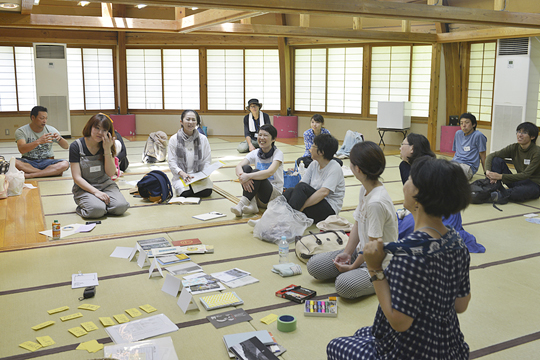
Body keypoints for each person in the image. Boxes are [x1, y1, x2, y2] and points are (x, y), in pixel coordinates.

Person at [327, 157, 472, 360]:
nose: (405, 184)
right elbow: (460, 305)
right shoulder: (457, 241)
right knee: (362, 333)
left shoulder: (409, 253)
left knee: (334, 346)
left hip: (411, 351)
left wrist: (375, 269)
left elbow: (399, 322)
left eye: (411, 179)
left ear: (419, 195)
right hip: (449, 345)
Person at [307, 141, 398, 299]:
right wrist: (347, 253)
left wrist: (353, 267)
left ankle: (376, 279)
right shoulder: (365, 188)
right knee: (315, 266)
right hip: (361, 253)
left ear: (358, 169)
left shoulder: (376, 202)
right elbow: (358, 223)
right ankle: (354, 270)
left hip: (379, 264)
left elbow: (373, 248)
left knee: (344, 285)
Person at [398, 133, 484, 253]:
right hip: (423, 206)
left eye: (403, 144)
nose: (400, 147)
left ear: (412, 148)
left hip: (439, 209)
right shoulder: (404, 165)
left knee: (406, 230)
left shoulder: (428, 166)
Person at [70, 113, 130, 219]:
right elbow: (77, 177)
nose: (100, 133)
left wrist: (107, 149)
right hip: (85, 188)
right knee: (96, 211)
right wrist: (96, 192)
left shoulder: (108, 144)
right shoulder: (76, 146)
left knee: (120, 207)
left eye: (104, 130)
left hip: (106, 185)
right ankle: (96, 205)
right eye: (97, 128)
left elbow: (111, 173)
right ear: (90, 127)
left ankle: (102, 205)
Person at [283, 133, 345, 224]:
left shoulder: (335, 168)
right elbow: (301, 183)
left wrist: (302, 206)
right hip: (314, 202)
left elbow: (324, 192)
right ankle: (279, 216)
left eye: (313, 146)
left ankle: (288, 221)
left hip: (328, 210)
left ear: (321, 152)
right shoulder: (314, 164)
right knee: (290, 191)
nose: (310, 149)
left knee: (302, 188)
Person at [231, 124, 283, 217]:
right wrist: (242, 175)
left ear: (273, 139)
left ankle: (241, 204)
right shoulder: (255, 152)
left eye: (265, 135)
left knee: (255, 172)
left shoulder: (278, 154)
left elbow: (269, 172)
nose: (261, 138)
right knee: (245, 168)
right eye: (260, 135)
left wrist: (248, 176)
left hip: (272, 197)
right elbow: (238, 166)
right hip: (256, 195)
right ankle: (252, 204)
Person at [486, 121, 540, 204]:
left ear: (532, 137)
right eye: (518, 132)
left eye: (524, 133)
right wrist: (488, 171)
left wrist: (500, 176)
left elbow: (525, 175)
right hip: (518, 180)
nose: (520, 135)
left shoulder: (537, 152)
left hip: (534, 184)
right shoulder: (514, 147)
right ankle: (494, 188)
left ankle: (499, 193)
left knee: (518, 192)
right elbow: (491, 156)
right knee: (496, 160)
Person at [15, 105, 70, 178]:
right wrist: (38, 141)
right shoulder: (21, 131)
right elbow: (22, 149)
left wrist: (60, 139)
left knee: (65, 164)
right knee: (14, 162)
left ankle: (32, 175)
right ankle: (49, 172)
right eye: (41, 118)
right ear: (33, 118)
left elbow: (66, 146)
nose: (44, 121)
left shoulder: (51, 130)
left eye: (46, 118)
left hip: (47, 162)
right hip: (29, 162)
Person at [168, 110, 213, 198]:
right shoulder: (174, 139)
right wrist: (182, 174)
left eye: (193, 120)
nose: (191, 122)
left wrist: (204, 173)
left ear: (197, 122)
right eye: (188, 119)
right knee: (185, 193)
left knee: (207, 192)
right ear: (181, 121)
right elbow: (171, 162)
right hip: (182, 176)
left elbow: (207, 159)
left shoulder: (203, 139)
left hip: (199, 176)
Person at [452, 112, 487, 180]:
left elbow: (483, 156)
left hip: (468, 166)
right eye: (461, 123)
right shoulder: (458, 134)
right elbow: (456, 152)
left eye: (466, 122)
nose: (463, 125)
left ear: (474, 124)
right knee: (437, 171)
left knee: (453, 177)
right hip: (454, 163)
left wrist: (486, 173)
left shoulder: (478, 136)